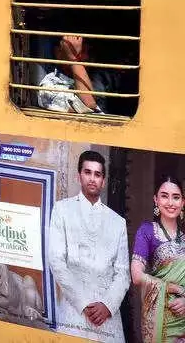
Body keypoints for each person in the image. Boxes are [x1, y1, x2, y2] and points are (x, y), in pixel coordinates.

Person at [48, 150, 129, 342]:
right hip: (74, 312)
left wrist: (107, 305)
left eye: (98, 174)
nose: (92, 178)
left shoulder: (117, 222)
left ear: (103, 181)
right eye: (88, 172)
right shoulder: (62, 210)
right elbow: (56, 261)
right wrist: (84, 304)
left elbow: (123, 272)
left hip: (107, 317)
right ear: (79, 176)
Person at [131, 175, 185, 342]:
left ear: (183, 202)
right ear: (155, 199)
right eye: (164, 195)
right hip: (160, 320)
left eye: (176, 197)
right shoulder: (147, 231)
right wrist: (172, 288)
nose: (170, 202)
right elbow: (136, 275)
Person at [37, 35, 113, 114]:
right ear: (58, 52)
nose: (86, 57)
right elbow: (88, 104)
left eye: (89, 52)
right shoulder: (49, 85)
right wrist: (73, 59)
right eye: (80, 51)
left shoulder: (100, 76)